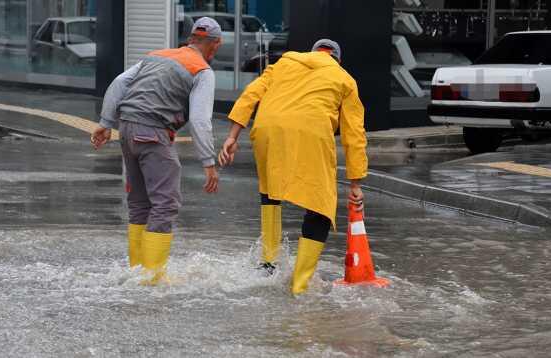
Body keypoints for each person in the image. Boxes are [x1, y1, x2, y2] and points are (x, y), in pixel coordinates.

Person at [218, 39, 367, 295]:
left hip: (267, 128)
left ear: (312, 54)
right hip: (311, 131)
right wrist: (355, 182)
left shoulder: (283, 63)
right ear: (337, 59)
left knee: (270, 190)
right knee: (320, 204)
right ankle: (300, 284)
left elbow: (250, 95)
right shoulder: (344, 79)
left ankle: (268, 264)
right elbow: (354, 133)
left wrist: (232, 136)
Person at [90, 17, 222, 285]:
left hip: (126, 129)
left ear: (190, 39)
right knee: (165, 203)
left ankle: (136, 272)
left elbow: (118, 83)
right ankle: (152, 279)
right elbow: (199, 119)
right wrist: (209, 161)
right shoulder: (202, 70)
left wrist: (105, 123)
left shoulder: (157, 55)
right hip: (153, 132)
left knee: (139, 203)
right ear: (215, 45)